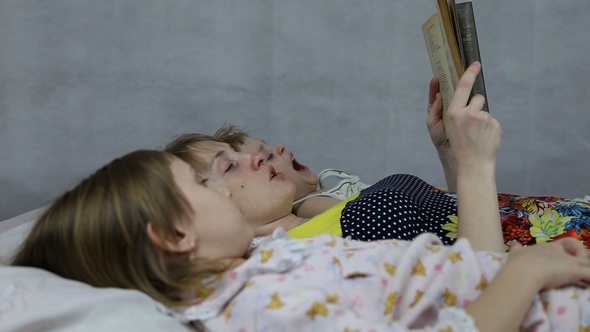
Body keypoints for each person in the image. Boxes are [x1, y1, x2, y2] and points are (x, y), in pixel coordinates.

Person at [10, 149, 590, 331]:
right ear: (175, 234)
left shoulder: (264, 260)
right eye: (205, 180)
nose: (226, 182)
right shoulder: (264, 305)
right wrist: (526, 273)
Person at [165, 63, 590, 250]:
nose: (259, 158)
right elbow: (476, 287)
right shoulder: (309, 252)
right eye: (229, 165)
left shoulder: (318, 215)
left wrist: (452, 157)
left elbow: (453, 226)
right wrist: (477, 165)